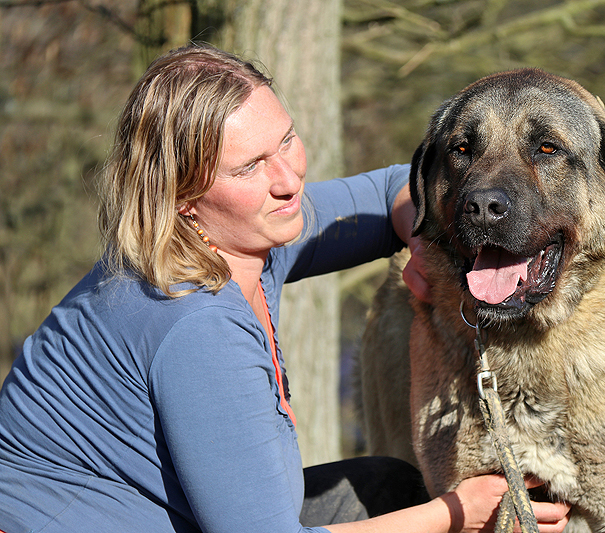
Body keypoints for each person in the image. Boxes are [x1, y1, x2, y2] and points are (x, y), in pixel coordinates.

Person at [0, 43, 570, 533]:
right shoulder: (196, 324)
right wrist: (453, 512)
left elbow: (396, 190)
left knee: (388, 488)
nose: (288, 179)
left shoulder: (241, 237)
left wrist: (419, 239)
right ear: (183, 196)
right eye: (249, 167)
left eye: (287, 139)